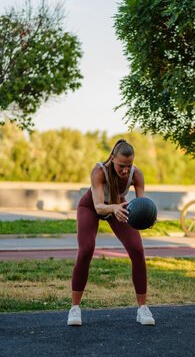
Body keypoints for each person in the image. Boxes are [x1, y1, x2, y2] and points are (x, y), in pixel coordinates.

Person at [68, 139, 155, 326]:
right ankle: (75, 308)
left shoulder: (136, 175)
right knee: (86, 250)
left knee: (138, 251)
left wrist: (147, 219)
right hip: (91, 206)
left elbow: (141, 205)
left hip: (119, 207)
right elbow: (99, 207)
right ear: (112, 158)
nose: (125, 170)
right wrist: (114, 207)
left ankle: (142, 309)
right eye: (121, 166)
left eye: (129, 165)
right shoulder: (99, 171)